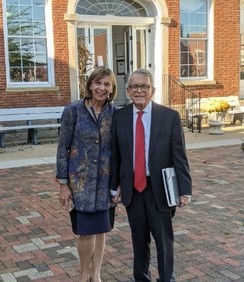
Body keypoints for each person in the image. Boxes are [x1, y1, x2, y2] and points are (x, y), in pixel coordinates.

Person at [110, 68, 192, 282]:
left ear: (152, 90)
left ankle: (166, 278)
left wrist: (185, 190)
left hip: (160, 189)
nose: (139, 91)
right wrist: (113, 186)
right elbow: (116, 156)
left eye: (144, 86)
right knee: (139, 240)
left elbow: (179, 156)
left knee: (164, 240)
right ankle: (141, 278)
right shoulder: (119, 117)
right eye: (134, 86)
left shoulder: (169, 117)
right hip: (133, 190)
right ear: (128, 90)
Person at [56, 66, 117, 282]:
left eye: (106, 84)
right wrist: (63, 184)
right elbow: (62, 148)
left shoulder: (114, 113)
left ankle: (97, 274)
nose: (101, 88)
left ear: (112, 88)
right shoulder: (73, 111)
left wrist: (118, 183)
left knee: (101, 229)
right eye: (98, 83)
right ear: (90, 84)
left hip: (105, 182)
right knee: (85, 232)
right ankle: (83, 276)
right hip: (80, 184)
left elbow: (119, 150)